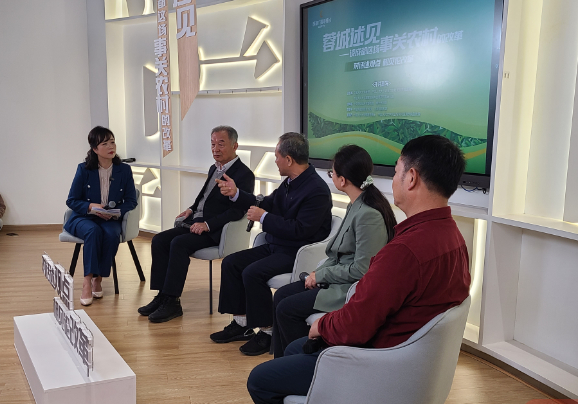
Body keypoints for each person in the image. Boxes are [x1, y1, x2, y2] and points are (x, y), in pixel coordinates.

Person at [247, 135, 472, 404]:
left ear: (411, 178)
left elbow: (356, 325)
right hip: (411, 366)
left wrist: (322, 326)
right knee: (293, 348)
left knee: (261, 380)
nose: (392, 180)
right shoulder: (451, 236)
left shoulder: (407, 250)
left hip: (379, 368)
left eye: (396, 171)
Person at [211, 132, 333, 356]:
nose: (275, 161)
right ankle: (241, 323)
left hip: (297, 251)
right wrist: (237, 194)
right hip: (277, 245)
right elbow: (267, 203)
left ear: (289, 159)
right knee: (231, 263)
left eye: (277, 156)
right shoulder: (290, 182)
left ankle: (267, 332)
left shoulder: (317, 190)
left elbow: (301, 230)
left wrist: (264, 218)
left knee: (252, 273)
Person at [271, 145, 396, 358]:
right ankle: (282, 363)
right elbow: (338, 254)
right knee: (281, 296)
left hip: (346, 290)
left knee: (286, 309)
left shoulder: (369, 215)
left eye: (332, 173)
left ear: (343, 180)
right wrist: (316, 274)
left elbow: (362, 270)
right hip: (335, 280)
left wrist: (321, 275)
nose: (332, 176)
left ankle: (299, 363)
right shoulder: (356, 205)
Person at [138, 126, 255, 323]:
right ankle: (162, 295)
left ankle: (173, 302)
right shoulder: (214, 168)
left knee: (179, 244)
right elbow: (204, 198)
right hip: (197, 222)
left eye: (221, 144)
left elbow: (238, 211)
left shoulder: (244, 174)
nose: (215, 149)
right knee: (159, 240)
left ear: (235, 146)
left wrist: (208, 224)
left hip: (216, 230)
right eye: (212, 144)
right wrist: (191, 210)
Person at [65, 126, 137, 306]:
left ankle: (99, 278)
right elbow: (72, 200)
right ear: (95, 149)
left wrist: (115, 212)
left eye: (112, 142)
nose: (111, 146)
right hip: (84, 217)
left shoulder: (124, 170)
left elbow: (131, 200)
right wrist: (91, 206)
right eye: (105, 144)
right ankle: (87, 281)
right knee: (93, 231)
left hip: (110, 218)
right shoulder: (84, 169)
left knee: (112, 234)